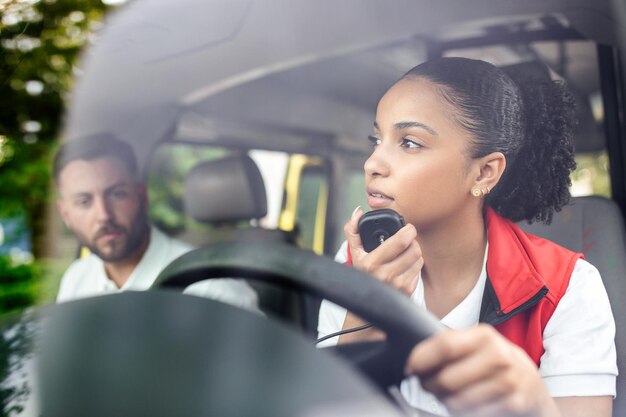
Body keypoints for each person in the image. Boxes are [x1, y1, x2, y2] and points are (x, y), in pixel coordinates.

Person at [317, 57, 617, 417]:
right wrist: (362, 319)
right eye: (377, 139)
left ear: (484, 173)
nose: (372, 163)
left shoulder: (569, 289)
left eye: (409, 142)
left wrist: (534, 406)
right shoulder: (355, 264)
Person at [54, 135, 258, 310]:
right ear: (66, 215)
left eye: (117, 194)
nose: (103, 215)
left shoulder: (208, 287)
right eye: (83, 202)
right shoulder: (76, 279)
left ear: (142, 196)